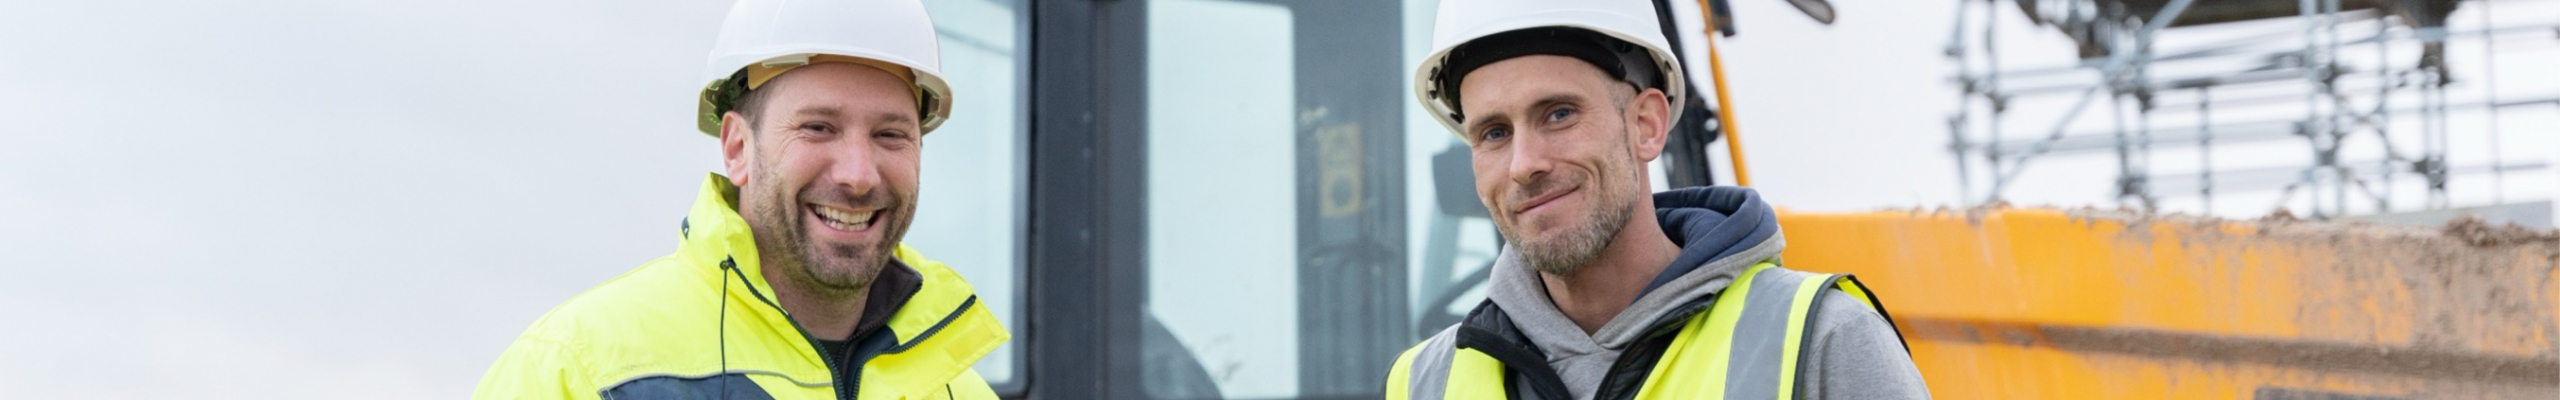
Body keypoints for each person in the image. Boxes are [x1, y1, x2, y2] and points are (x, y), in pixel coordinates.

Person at [1383, 0, 1928, 398]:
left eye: (1559, 114)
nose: (1525, 164)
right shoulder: (1423, 383)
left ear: (1647, 124)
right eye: (1494, 133)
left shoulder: (1823, 343)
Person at [471, 0, 1005, 398]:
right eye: (818, 127)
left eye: (891, 135)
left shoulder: (962, 391)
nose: (859, 175)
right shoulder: (579, 373)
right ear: (736, 148)